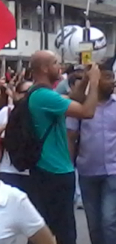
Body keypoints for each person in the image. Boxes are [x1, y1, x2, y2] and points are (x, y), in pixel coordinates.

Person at [27, 51, 101, 244]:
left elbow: (74, 99)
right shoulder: (44, 96)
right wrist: (94, 82)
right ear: (44, 68)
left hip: (47, 169)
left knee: (46, 225)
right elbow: (87, 111)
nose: (59, 66)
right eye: (55, 62)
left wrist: (84, 80)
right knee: (63, 231)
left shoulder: (40, 94)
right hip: (54, 171)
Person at [66, 61, 116, 244]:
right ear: (96, 79)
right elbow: (71, 137)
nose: (112, 82)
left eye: (113, 77)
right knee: (94, 223)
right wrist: (69, 167)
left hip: (113, 171)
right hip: (87, 171)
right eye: (108, 77)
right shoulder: (82, 107)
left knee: (109, 220)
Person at [0, 80, 33, 195]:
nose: (28, 96)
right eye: (25, 92)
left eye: (33, 92)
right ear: (16, 94)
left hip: (34, 172)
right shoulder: (7, 111)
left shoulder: (40, 113)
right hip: (9, 170)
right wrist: (8, 125)